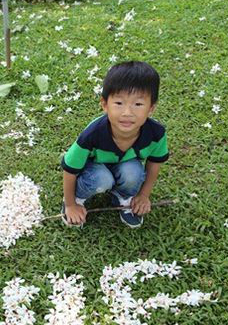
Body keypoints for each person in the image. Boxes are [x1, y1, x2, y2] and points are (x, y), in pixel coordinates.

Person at [61, 61, 169, 228]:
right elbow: (69, 169)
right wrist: (70, 205)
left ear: (151, 108)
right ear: (104, 104)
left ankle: (124, 196)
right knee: (102, 178)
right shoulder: (91, 135)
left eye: (138, 104)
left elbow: (154, 163)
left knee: (133, 172)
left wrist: (144, 195)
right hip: (94, 170)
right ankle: (78, 197)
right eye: (119, 103)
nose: (127, 113)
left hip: (125, 166)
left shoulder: (156, 134)